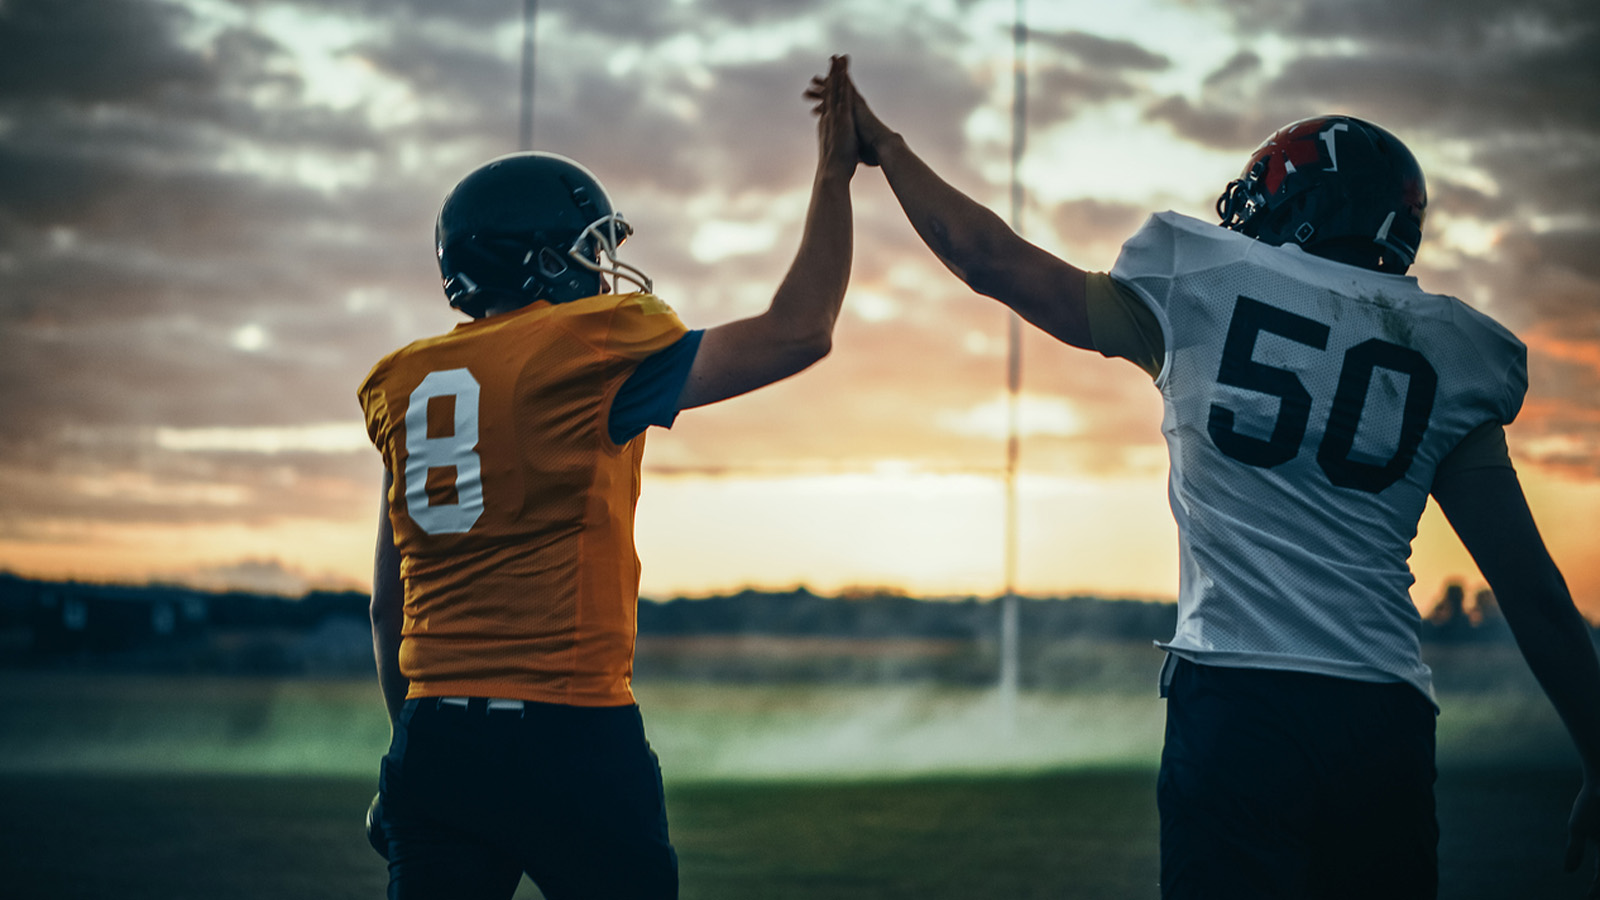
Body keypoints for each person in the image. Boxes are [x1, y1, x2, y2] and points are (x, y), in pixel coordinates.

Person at [824, 71, 1600, 898]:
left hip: (1239, 699)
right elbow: (1535, 594)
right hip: (1384, 712)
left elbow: (986, 258)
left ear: (1304, 204)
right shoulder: (1453, 349)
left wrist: (887, 150)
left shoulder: (1198, 278)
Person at [357, 56, 860, 900]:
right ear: (543, 263)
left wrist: (411, 749)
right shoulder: (590, 348)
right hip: (571, 730)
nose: (604, 269)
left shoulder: (403, 384)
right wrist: (834, 174)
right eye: (590, 251)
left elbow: (388, 605)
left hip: (435, 737)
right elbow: (799, 331)